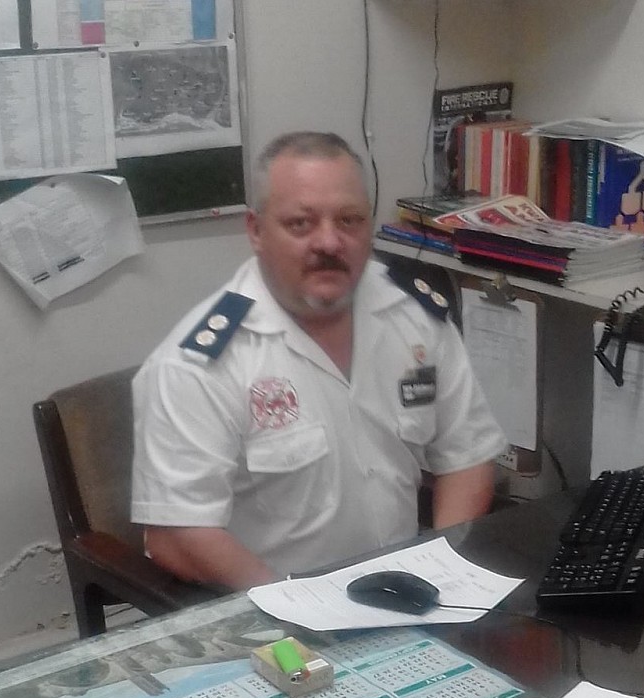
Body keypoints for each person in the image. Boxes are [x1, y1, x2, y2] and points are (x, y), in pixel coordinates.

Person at [131, 131, 506, 591]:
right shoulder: (198, 364)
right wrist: (298, 605)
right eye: (300, 224)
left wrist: (439, 572)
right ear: (256, 231)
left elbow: (468, 456)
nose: (329, 242)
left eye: (349, 220)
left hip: (407, 591)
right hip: (271, 603)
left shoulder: (415, 315)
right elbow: (176, 536)